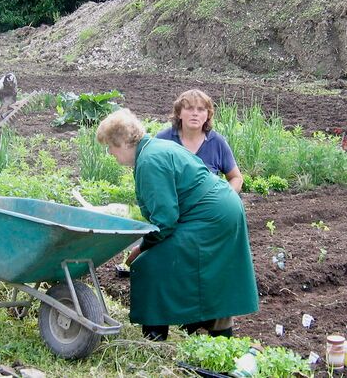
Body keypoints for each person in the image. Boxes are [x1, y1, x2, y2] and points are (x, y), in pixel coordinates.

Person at [97, 109, 259, 340]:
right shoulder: (154, 148)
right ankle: (210, 332)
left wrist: (142, 248)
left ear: (122, 142)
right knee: (208, 272)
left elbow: (165, 220)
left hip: (211, 216)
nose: (110, 153)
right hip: (219, 210)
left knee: (150, 264)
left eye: (110, 147)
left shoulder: (150, 160)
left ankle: (155, 337)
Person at [156, 89, 243, 193]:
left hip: (207, 202)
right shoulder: (162, 140)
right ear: (179, 113)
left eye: (201, 109)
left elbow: (236, 178)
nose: (195, 113)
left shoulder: (217, 142)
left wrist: (224, 197)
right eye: (189, 108)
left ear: (208, 115)